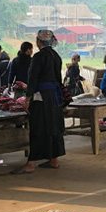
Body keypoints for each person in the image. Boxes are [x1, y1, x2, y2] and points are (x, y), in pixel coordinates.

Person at [14, 30, 65, 174]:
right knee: (54, 126)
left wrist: (27, 99)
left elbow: (33, 79)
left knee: (38, 128)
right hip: (54, 97)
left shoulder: (38, 57)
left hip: (41, 96)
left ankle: (30, 164)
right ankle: (54, 159)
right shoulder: (56, 56)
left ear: (38, 41)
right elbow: (58, 79)